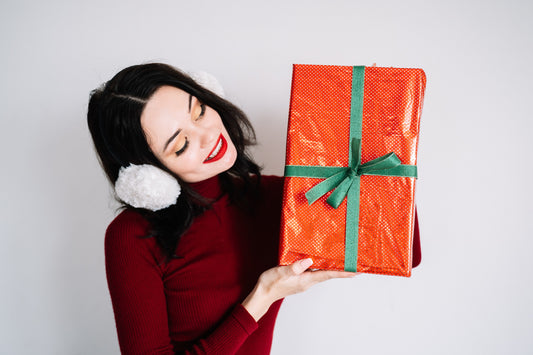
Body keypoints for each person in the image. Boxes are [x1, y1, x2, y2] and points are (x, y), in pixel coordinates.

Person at [88, 63, 377, 355]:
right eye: (181, 145)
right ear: (149, 175)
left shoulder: (272, 198)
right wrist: (262, 297)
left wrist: (370, 133)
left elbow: (405, 252)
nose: (208, 135)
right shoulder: (131, 237)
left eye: (199, 110)